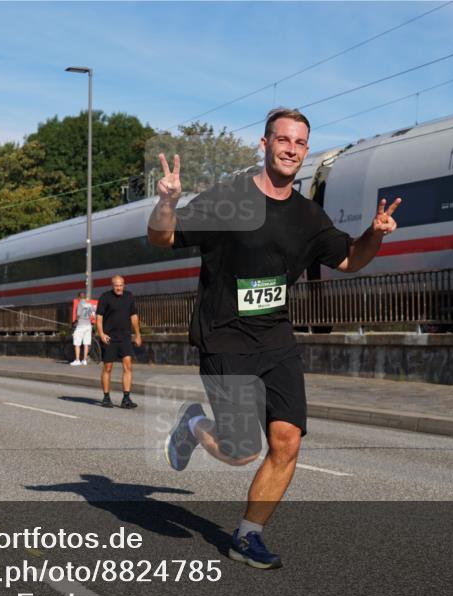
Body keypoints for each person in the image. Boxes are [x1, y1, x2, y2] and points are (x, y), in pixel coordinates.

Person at [147, 108, 399, 569]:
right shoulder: (230, 199)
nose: (291, 149)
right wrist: (167, 203)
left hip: (276, 341)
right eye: (283, 140)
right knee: (242, 452)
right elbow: (163, 238)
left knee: (287, 442)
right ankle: (192, 424)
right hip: (225, 338)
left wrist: (374, 235)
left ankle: (247, 536)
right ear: (264, 145)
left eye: (300, 143)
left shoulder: (308, 216)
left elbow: (350, 261)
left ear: (306, 151)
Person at [95, 275, 142, 408]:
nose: (119, 288)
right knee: (108, 367)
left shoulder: (129, 296)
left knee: (128, 366)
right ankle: (106, 397)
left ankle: (126, 399)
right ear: (112, 285)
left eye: (121, 285)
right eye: (116, 285)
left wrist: (138, 334)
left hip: (125, 337)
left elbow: (134, 316)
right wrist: (101, 334)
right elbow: (99, 317)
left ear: (124, 285)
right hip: (110, 338)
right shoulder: (105, 297)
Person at [70, 291, 96, 366]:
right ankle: (84, 360)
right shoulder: (90, 305)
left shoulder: (80, 304)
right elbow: (94, 314)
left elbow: (78, 315)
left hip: (81, 325)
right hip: (88, 325)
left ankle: (77, 360)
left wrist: (75, 322)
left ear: (78, 297)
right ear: (85, 297)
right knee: (86, 344)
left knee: (77, 344)